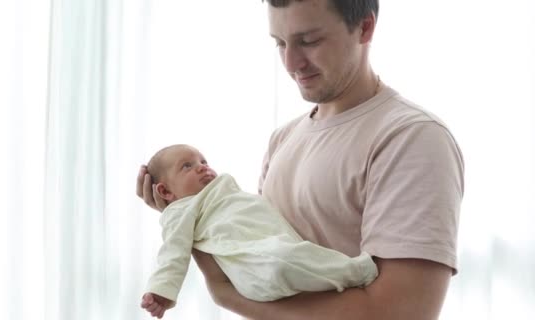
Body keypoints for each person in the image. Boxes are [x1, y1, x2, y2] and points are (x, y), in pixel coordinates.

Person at [137, 0, 465, 319]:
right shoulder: (283, 140)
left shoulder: (411, 138)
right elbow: (263, 268)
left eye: (309, 41)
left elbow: (400, 314)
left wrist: (225, 294)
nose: (292, 62)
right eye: (280, 43)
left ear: (364, 27)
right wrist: (184, 209)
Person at [140, 144, 378, 319]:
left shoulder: (224, 190)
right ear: (165, 191)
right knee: (283, 261)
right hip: (249, 264)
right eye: (187, 166)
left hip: (272, 244)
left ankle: (343, 277)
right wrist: (162, 290)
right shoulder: (180, 211)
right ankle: (356, 271)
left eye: (203, 161)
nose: (202, 167)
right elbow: (173, 250)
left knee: (297, 255)